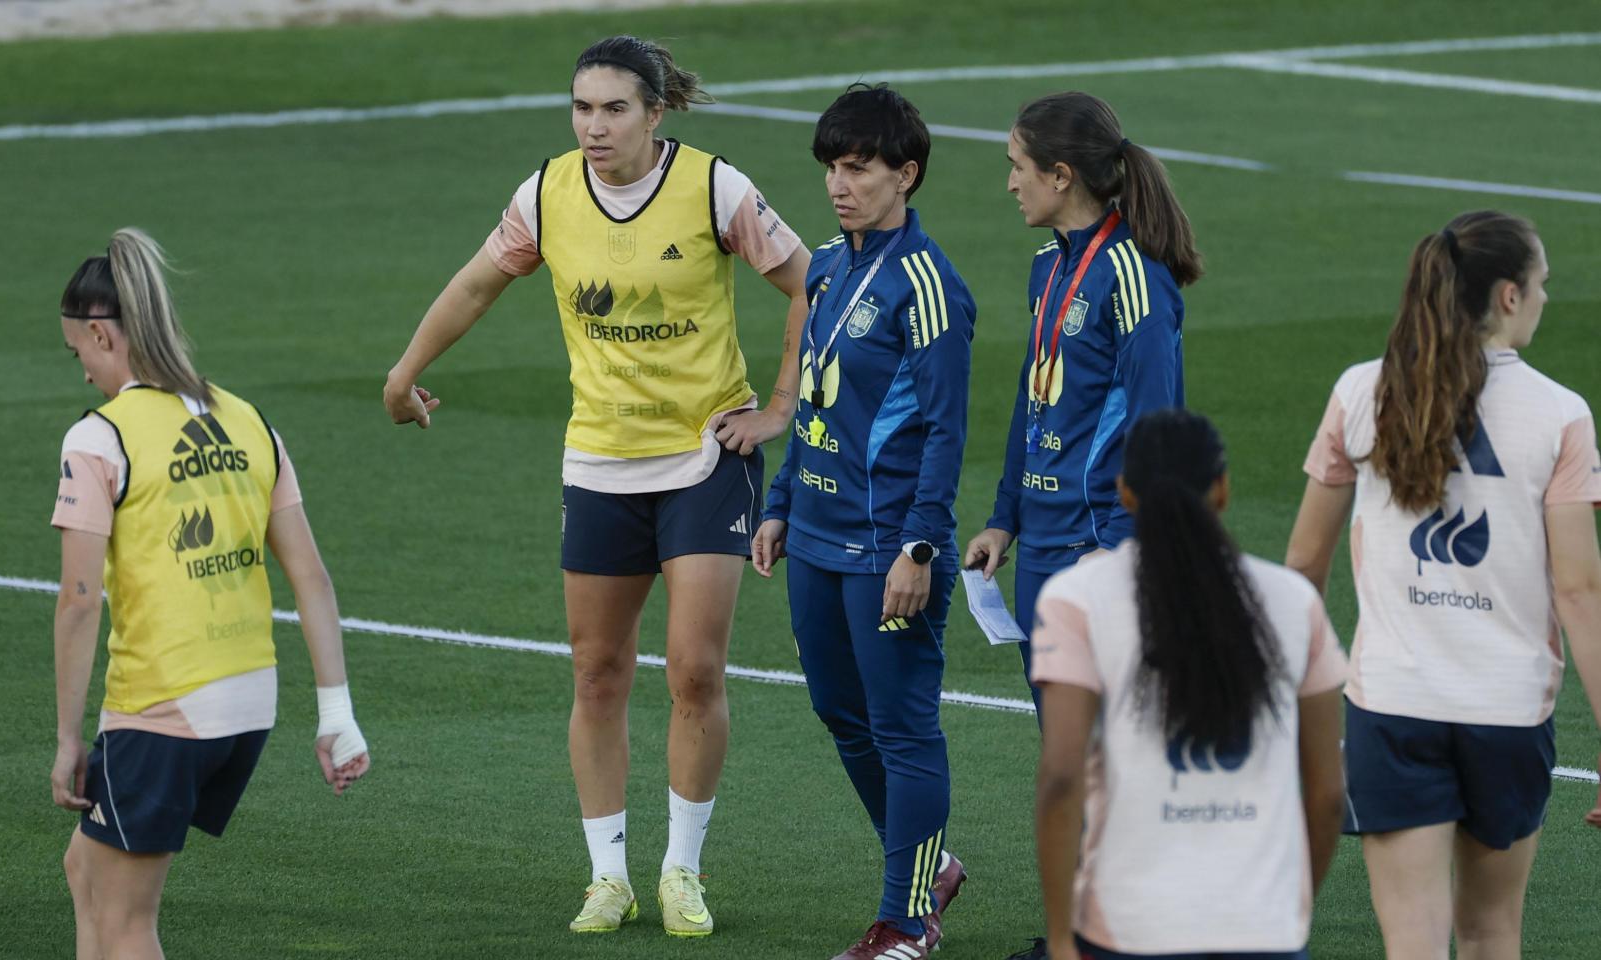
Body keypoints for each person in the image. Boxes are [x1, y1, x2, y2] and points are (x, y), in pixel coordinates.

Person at [382, 35, 811, 936]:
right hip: (600, 462)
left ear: (655, 114)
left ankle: (682, 871)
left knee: (695, 668)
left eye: (614, 108)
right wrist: (405, 370)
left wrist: (779, 407)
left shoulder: (713, 188)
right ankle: (607, 877)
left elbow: (815, 284)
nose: (594, 126)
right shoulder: (547, 194)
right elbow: (475, 284)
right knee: (598, 671)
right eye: (581, 108)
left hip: (705, 456)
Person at [1286, 210, 1601, 959]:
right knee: (1492, 934)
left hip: (1393, 705)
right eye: (1541, 284)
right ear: (1507, 296)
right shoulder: (1562, 415)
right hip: (1508, 711)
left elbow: (1302, 564)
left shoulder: (1362, 392)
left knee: (1413, 944)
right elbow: (1580, 591)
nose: (1547, 299)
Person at [51, 229, 370, 960]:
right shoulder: (248, 419)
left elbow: (78, 600)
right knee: (85, 870)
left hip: (163, 708)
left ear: (101, 333)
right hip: (247, 703)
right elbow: (312, 578)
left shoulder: (100, 438)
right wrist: (336, 717)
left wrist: (71, 740)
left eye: (80, 356)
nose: (84, 377)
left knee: (130, 922)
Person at [752, 84, 975, 960]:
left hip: (890, 545)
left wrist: (920, 546)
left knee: (903, 726)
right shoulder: (825, 266)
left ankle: (906, 919)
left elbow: (946, 431)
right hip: (815, 535)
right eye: (832, 169)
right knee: (840, 713)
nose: (840, 185)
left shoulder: (928, 286)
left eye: (859, 168)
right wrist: (779, 502)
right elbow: (809, 395)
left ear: (905, 174)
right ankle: (931, 864)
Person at [1032, 409, 1346, 960]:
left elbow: (1061, 777)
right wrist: (1289, 906)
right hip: (1262, 927)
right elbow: (1326, 794)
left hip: (1129, 927)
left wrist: (1061, 939)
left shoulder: (1076, 599)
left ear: (1124, 492)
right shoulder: (1295, 603)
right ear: (1222, 489)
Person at [960, 91, 1201, 716]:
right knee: (1067, 748)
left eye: (1019, 166)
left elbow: (1159, 427)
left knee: (1117, 752)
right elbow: (1033, 397)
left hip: (1098, 546)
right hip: (1041, 542)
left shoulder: (1135, 278)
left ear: (1061, 176)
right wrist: (1005, 517)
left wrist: (1124, 544)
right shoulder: (1049, 266)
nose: (1011, 183)